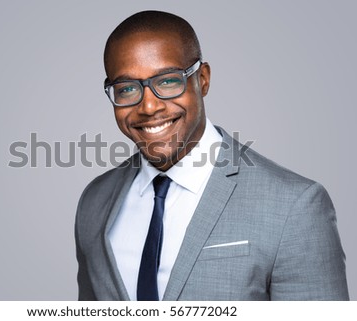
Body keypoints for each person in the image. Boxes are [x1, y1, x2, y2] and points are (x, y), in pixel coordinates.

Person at [75, 10, 349, 300]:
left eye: (168, 81)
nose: (149, 106)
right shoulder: (95, 202)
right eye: (127, 88)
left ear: (202, 79)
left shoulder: (295, 206)